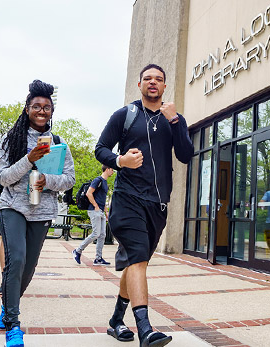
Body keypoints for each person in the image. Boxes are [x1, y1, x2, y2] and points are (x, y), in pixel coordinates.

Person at [94, 64, 193, 347]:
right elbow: (100, 148)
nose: (153, 82)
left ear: (164, 87)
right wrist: (120, 160)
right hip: (127, 198)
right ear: (139, 85)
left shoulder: (174, 119)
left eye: (159, 79)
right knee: (137, 258)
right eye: (148, 78)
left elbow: (186, 155)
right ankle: (146, 330)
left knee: (137, 263)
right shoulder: (125, 115)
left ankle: (116, 321)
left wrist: (175, 122)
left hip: (158, 204)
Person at [0, 80, 75, 347]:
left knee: (28, 268)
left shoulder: (59, 143)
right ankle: (13, 325)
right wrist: (29, 159)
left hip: (42, 210)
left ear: (52, 111)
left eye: (47, 107)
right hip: (13, 207)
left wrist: (46, 181)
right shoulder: (11, 138)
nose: (42, 111)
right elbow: (3, 177)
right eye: (36, 106)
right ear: (27, 108)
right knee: (15, 260)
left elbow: (69, 179)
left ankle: (7, 306)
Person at [72, 165, 114, 265]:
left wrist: (106, 211)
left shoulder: (105, 182)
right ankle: (78, 250)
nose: (113, 172)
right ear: (107, 169)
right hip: (94, 210)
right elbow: (89, 193)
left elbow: (102, 198)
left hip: (100, 211)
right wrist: (95, 206)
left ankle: (98, 259)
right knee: (96, 233)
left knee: (102, 235)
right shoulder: (98, 180)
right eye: (112, 170)